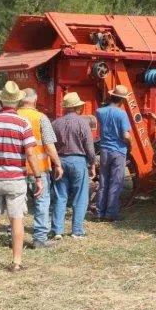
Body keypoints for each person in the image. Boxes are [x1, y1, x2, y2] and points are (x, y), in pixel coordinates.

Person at [0, 81, 44, 272]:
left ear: (1, 101)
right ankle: (16, 262)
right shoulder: (23, 123)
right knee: (16, 220)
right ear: (18, 102)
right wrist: (38, 177)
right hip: (15, 179)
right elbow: (30, 153)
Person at [17, 88, 63, 248]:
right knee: (42, 202)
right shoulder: (41, 118)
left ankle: (13, 235)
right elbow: (49, 146)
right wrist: (58, 164)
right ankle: (40, 239)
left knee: (16, 202)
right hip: (39, 168)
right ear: (35, 100)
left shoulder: (14, 116)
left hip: (18, 168)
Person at [52, 92, 96, 239]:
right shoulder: (83, 123)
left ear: (65, 108)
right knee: (80, 196)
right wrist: (92, 163)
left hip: (60, 161)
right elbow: (89, 146)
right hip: (78, 160)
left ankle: (57, 230)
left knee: (60, 195)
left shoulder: (55, 123)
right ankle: (77, 231)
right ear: (78, 107)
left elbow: (50, 145)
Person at [95, 85, 131, 222]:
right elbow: (126, 135)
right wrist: (130, 144)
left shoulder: (100, 112)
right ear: (122, 100)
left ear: (112, 96)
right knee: (115, 182)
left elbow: (101, 111)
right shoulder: (122, 114)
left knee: (103, 181)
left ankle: (99, 212)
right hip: (118, 150)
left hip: (104, 150)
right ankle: (111, 214)